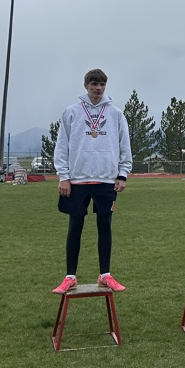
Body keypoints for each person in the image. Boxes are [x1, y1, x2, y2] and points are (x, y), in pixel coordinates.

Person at [52, 68, 132, 294]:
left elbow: (124, 144)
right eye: (94, 84)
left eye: (102, 85)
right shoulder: (71, 112)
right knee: (75, 226)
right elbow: (61, 146)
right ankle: (70, 276)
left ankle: (105, 274)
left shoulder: (115, 113)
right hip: (77, 180)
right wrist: (63, 176)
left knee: (105, 226)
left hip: (106, 179)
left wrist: (123, 173)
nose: (98, 88)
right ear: (86, 85)